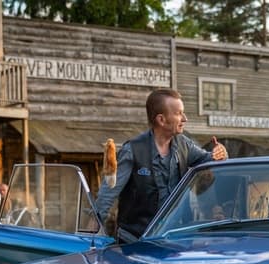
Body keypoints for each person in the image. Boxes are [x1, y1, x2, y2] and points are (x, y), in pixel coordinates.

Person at [95, 89, 228, 242]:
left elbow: (211, 161)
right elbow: (106, 197)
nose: (185, 119)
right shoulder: (132, 151)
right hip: (135, 242)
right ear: (161, 120)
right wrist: (93, 236)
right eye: (179, 113)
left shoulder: (184, 145)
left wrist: (220, 153)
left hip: (176, 239)